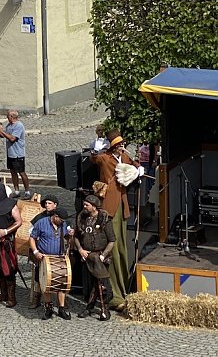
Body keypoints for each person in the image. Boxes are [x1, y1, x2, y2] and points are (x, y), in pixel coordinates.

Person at [88, 129, 140, 308]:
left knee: (122, 248)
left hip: (122, 204)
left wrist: (137, 167)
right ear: (113, 146)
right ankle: (114, 293)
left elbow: (134, 164)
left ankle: (125, 286)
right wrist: (96, 148)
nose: (122, 147)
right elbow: (94, 159)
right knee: (114, 248)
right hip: (109, 206)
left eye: (122, 144)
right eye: (119, 145)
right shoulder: (105, 158)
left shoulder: (123, 156)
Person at [73, 195, 114, 321]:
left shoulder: (104, 220)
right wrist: (80, 249)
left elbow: (111, 240)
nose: (84, 207)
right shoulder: (82, 218)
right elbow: (76, 237)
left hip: (100, 257)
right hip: (87, 256)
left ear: (94, 206)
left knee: (101, 284)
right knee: (89, 284)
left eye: (87, 205)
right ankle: (89, 307)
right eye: (84, 204)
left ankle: (104, 308)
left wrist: (103, 255)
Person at [30, 207, 73, 319]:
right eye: (61, 220)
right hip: (44, 258)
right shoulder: (41, 223)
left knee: (62, 282)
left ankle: (61, 308)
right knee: (46, 283)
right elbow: (32, 238)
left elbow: (67, 237)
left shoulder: (62, 224)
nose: (62, 222)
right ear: (55, 216)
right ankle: (48, 307)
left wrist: (70, 235)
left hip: (59, 258)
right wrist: (35, 252)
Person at [0, 110, 30, 198]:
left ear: (12, 117)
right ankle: (16, 191)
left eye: (8, 116)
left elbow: (12, 138)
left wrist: (1, 130)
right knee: (13, 172)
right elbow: (3, 135)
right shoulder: (9, 125)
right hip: (10, 153)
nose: (7, 117)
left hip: (18, 154)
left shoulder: (19, 126)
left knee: (21, 173)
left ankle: (27, 191)